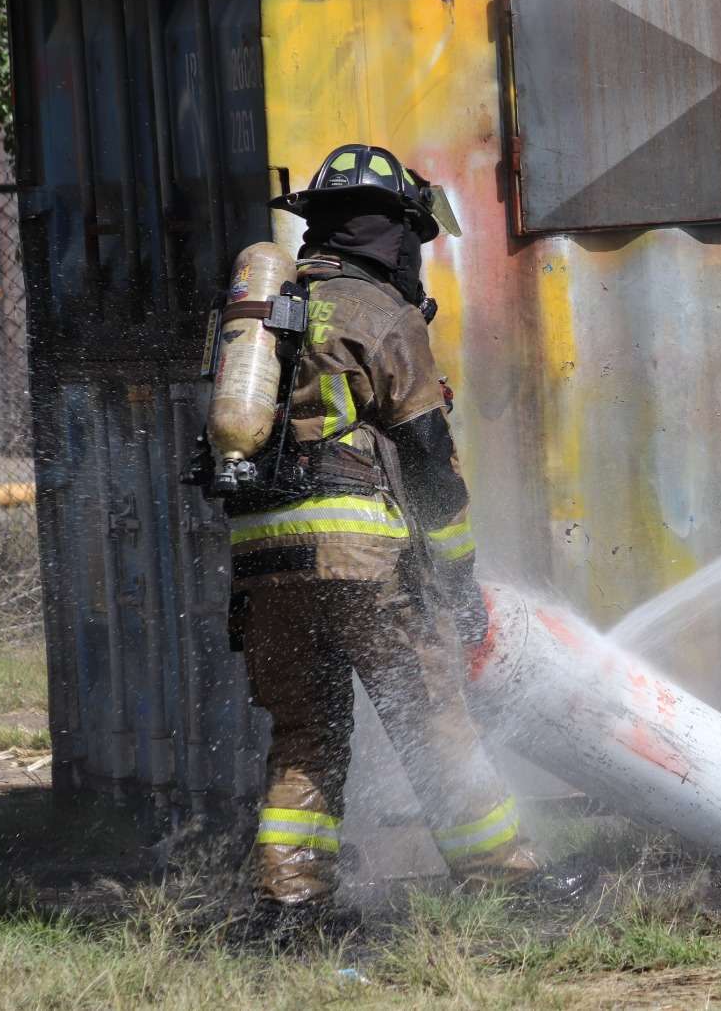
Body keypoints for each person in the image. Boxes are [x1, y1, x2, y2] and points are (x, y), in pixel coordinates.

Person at [228, 143, 579, 933]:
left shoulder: (264, 314)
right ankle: (502, 878)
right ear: (390, 233)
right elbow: (427, 462)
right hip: (362, 560)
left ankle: (290, 905)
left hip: (263, 563)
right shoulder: (380, 314)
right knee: (430, 715)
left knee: (307, 731)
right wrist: (456, 581)